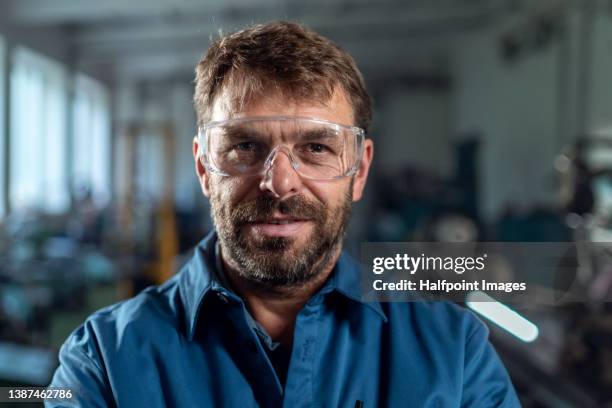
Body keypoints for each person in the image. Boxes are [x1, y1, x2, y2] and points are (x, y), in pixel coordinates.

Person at [48, 21, 520, 407]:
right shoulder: (102, 365)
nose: (280, 182)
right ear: (204, 169)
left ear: (359, 170)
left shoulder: (456, 357)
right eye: (245, 146)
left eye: (316, 148)